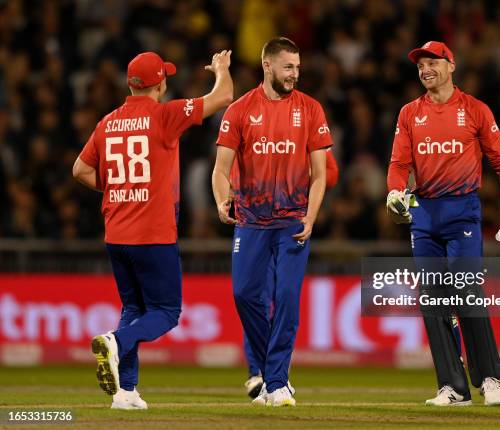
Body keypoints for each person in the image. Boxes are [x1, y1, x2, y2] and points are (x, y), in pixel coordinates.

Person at [72, 50, 233, 409]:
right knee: (165, 312)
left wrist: (118, 187)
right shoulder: (165, 115)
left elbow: (79, 171)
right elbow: (223, 96)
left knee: (133, 307)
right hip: (153, 234)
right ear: (159, 83)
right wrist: (221, 70)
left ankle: (125, 392)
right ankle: (115, 342)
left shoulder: (107, 122)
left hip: (116, 235)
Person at [386, 41, 500, 406]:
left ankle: (490, 380)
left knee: (466, 293)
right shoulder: (408, 114)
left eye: (432, 63)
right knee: (432, 299)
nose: (425, 70)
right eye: (420, 65)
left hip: (463, 213)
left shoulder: (475, 110)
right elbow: (400, 164)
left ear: (451, 66)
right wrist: (393, 192)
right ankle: (453, 388)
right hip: (423, 217)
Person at [212, 37, 332, 407]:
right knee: (244, 294)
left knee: (286, 298)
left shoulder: (311, 109)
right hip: (250, 220)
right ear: (268, 66)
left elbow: (320, 174)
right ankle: (270, 370)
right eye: (288, 67)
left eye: (297, 67)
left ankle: (276, 381)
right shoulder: (240, 110)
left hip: (292, 221)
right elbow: (220, 167)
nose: (295, 74)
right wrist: (221, 199)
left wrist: (311, 216)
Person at [243, 149, 338, 399]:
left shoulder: (306, 120)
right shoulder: (252, 121)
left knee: (283, 296)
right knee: (254, 297)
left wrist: (297, 176)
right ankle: (261, 371)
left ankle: (272, 374)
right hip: (256, 221)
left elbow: (331, 173)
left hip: (290, 222)